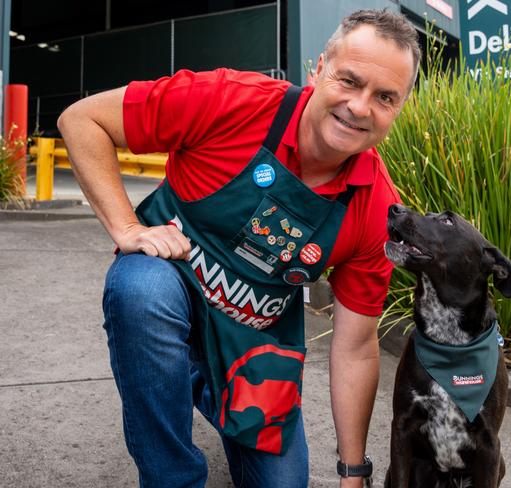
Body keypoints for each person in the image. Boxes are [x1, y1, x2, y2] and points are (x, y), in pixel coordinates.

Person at [58, 8, 420, 488]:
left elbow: (355, 348)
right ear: (317, 69)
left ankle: (204, 388)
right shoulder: (232, 100)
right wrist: (127, 228)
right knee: (139, 290)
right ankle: (172, 476)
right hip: (171, 293)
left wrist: (354, 473)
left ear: (398, 108)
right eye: (349, 80)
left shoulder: (375, 208)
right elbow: (82, 120)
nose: (359, 107)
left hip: (253, 351)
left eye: (384, 97)